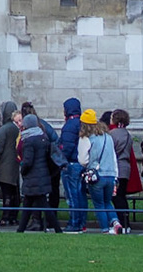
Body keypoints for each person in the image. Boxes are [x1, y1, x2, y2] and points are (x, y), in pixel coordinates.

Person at [79, 108, 122, 233]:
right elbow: (114, 157)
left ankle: (105, 229)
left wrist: (89, 164)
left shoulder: (86, 138)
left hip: (96, 176)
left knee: (99, 204)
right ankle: (115, 222)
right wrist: (115, 176)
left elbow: (82, 159)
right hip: (110, 174)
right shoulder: (108, 137)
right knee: (108, 202)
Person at [16, 113, 59, 232]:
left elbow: (28, 161)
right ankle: (20, 230)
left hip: (33, 177)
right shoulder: (43, 137)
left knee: (38, 204)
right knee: (29, 204)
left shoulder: (29, 140)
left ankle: (57, 229)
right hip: (42, 175)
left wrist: (23, 169)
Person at [58, 98, 86, 231]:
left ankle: (74, 223)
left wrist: (61, 159)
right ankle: (81, 223)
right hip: (81, 163)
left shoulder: (70, 125)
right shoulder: (82, 123)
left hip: (71, 164)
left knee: (72, 195)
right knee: (80, 195)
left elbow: (67, 146)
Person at [0, 101, 22, 225]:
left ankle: (6, 217)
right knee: (13, 191)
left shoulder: (4, 129)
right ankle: (13, 216)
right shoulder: (17, 128)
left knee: (6, 193)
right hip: (14, 164)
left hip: (5, 164)